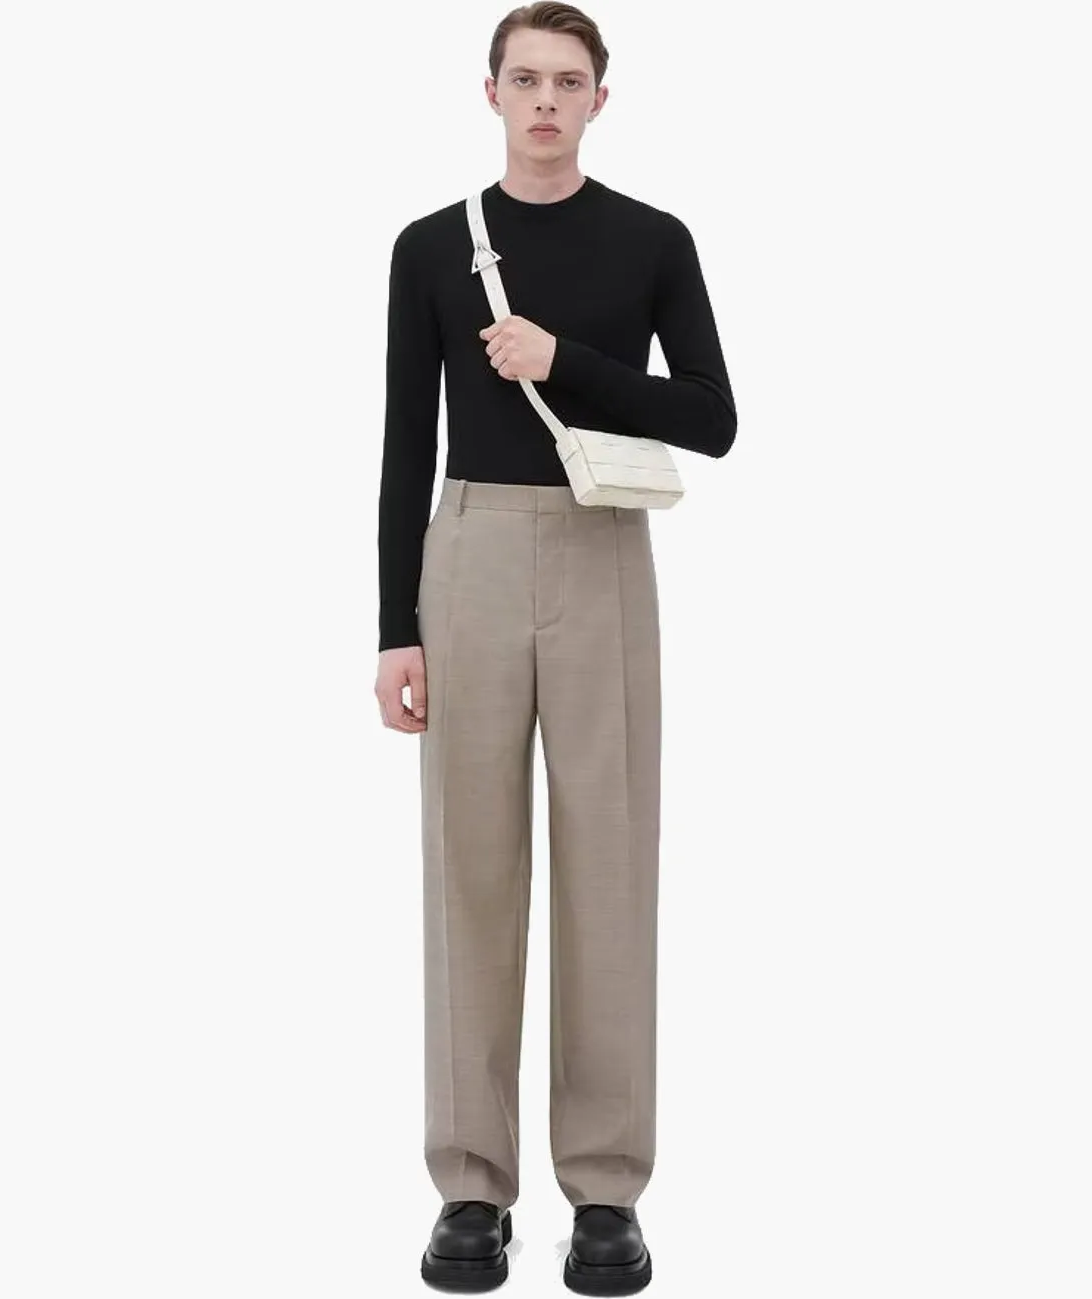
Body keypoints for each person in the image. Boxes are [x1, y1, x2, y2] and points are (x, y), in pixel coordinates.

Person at [373, 4, 736, 1292]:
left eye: (567, 82)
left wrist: (562, 358)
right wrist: (395, 629)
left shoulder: (652, 240)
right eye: (523, 79)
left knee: (609, 866)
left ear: (599, 99)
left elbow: (713, 418)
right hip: (467, 547)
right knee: (468, 868)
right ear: (490, 94)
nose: (544, 101)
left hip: (601, 549)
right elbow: (403, 441)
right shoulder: (431, 247)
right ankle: (471, 1185)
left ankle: (607, 1190)